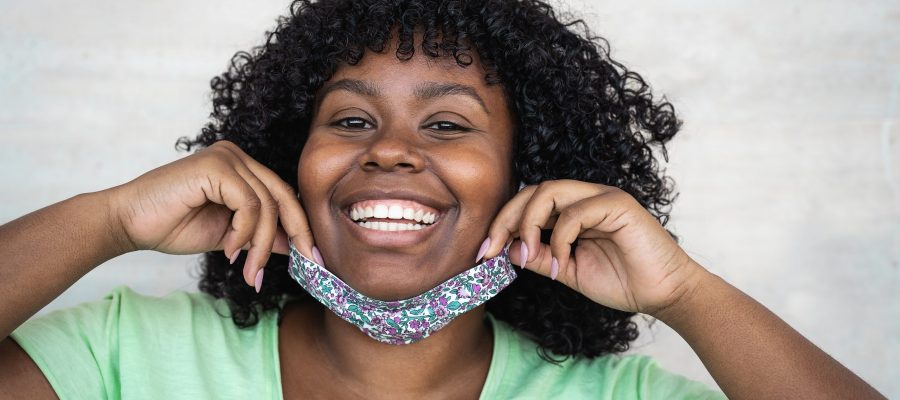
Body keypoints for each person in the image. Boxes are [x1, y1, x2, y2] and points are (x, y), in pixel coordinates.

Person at [0, 0, 885, 398]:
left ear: (530, 179)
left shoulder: (614, 397)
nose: (389, 149)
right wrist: (107, 219)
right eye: (349, 119)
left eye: (450, 125)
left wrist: (689, 295)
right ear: (283, 161)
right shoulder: (125, 355)